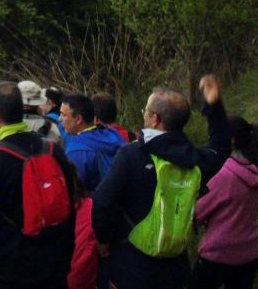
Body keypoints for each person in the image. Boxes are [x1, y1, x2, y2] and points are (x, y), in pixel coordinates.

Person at [92, 75, 231, 289]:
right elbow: (221, 145)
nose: (144, 115)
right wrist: (214, 106)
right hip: (175, 266)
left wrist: (103, 239)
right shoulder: (196, 161)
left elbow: (102, 200)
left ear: (155, 118)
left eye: (145, 111)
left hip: (132, 263)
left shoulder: (132, 154)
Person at [0, 82, 77, 289]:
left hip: (8, 272)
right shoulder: (53, 151)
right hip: (52, 267)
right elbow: (69, 209)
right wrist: (65, 262)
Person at [189, 116, 258, 289]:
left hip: (219, 253)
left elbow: (196, 214)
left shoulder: (226, 175)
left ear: (231, 140)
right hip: (251, 252)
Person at [60, 93, 126, 192]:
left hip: (93, 205)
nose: (59, 118)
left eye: (63, 115)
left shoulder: (76, 151)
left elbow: (72, 192)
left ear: (78, 119)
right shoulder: (114, 136)